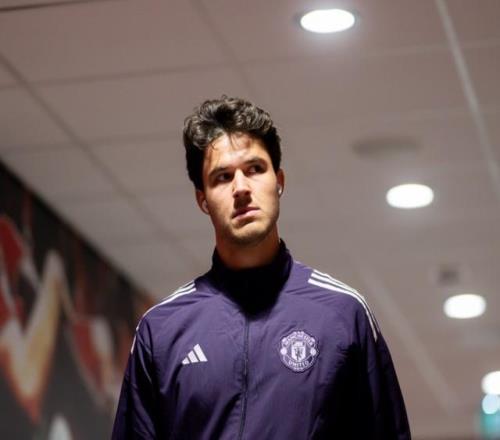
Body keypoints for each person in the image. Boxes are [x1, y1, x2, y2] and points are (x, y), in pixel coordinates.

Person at [112, 96, 411, 439]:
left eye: (255, 169)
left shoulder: (343, 314)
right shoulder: (161, 330)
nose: (241, 188)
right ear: (202, 200)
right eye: (222, 177)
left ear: (279, 181)